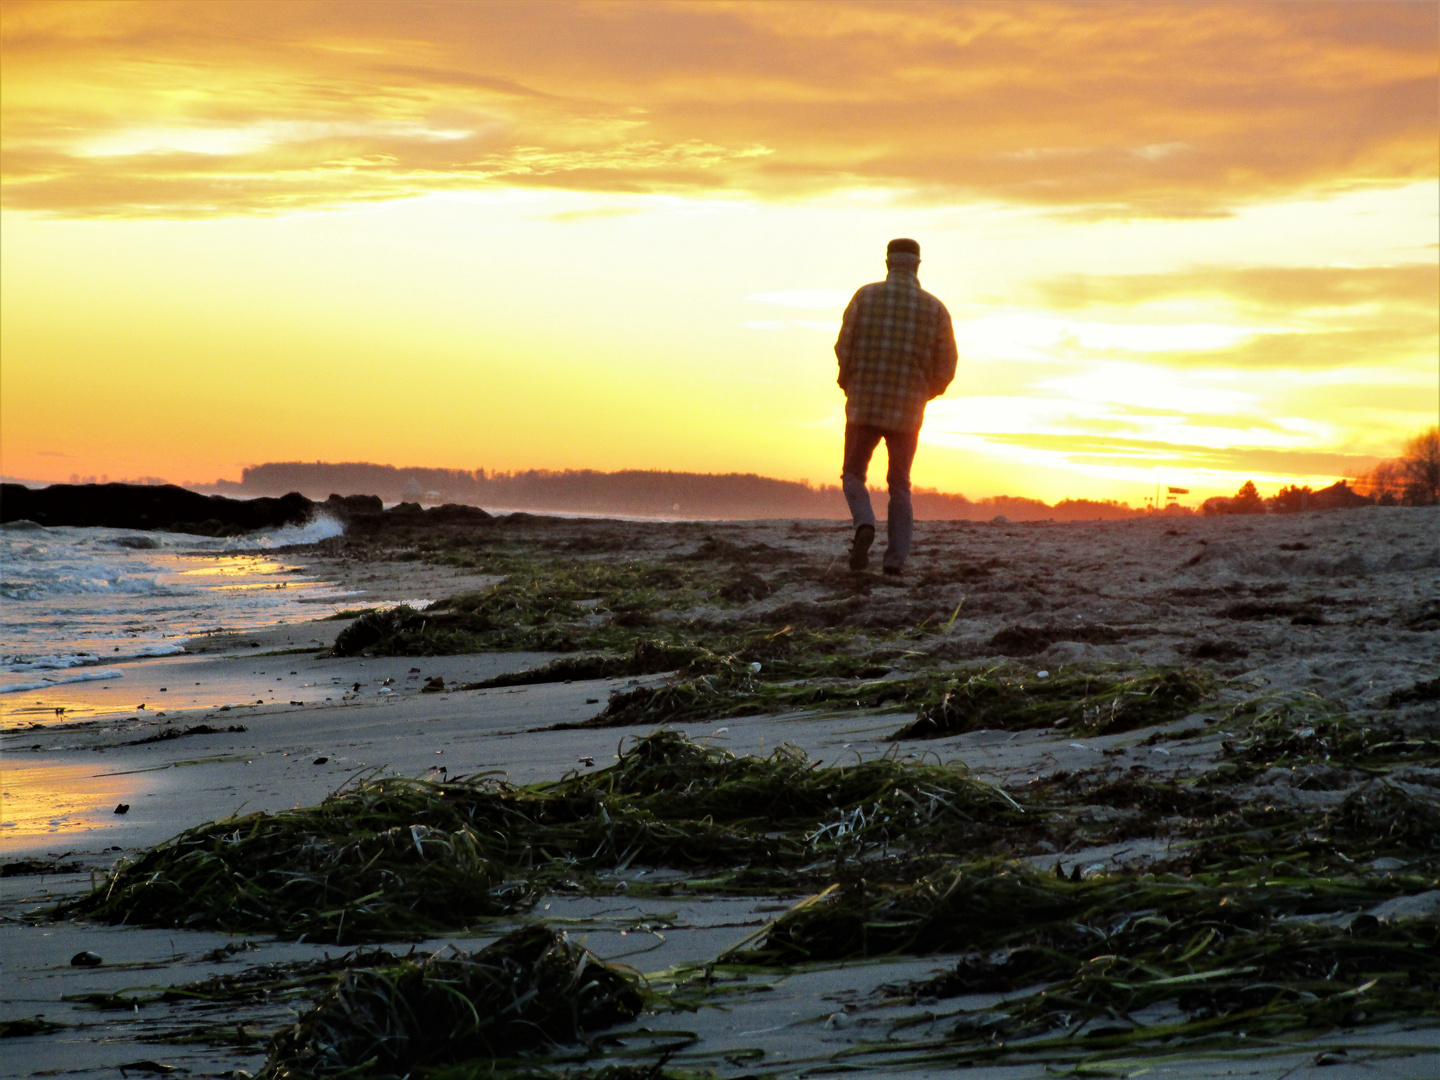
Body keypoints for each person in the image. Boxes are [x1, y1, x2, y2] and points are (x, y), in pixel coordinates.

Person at [834, 238, 957, 574]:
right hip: (907, 411)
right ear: (917, 265)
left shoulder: (864, 296)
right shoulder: (935, 309)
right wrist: (925, 392)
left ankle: (864, 523)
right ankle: (895, 562)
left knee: (853, 475)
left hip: (863, 404)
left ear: (887, 263)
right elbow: (947, 365)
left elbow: (843, 346)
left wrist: (849, 381)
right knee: (900, 485)